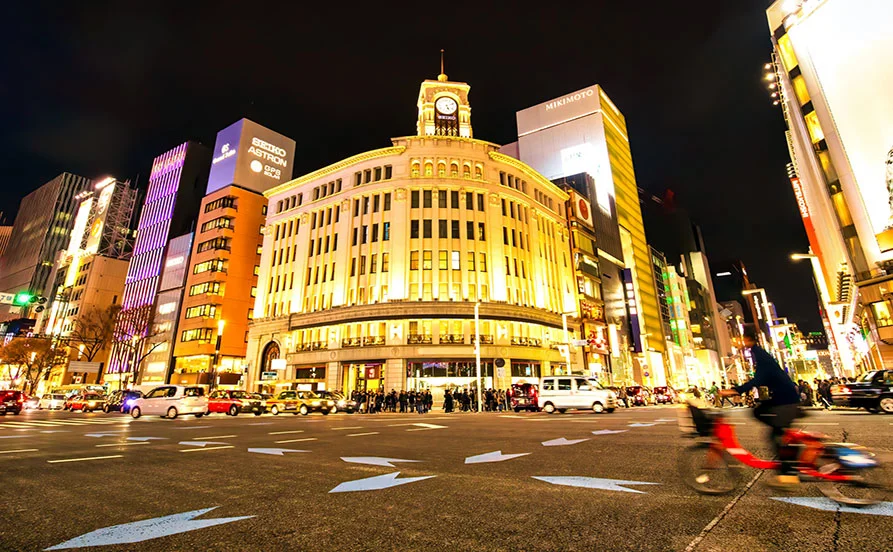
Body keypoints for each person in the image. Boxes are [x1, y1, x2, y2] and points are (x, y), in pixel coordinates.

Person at [720, 328, 802, 489]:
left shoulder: (760, 354)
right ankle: (788, 462)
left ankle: (788, 474)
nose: (739, 343)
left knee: (768, 424)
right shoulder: (759, 353)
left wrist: (736, 390)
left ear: (748, 340)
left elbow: (759, 379)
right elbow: (760, 378)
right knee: (775, 430)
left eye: (741, 340)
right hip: (785, 397)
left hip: (785, 400)